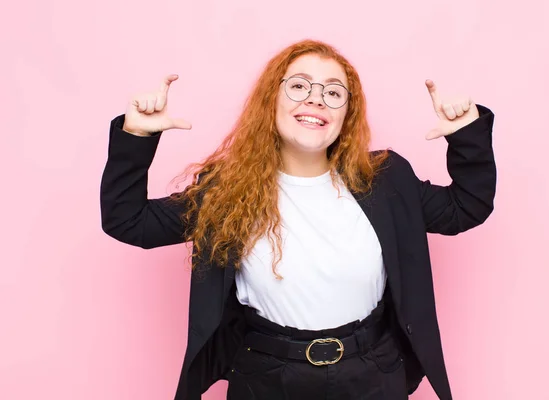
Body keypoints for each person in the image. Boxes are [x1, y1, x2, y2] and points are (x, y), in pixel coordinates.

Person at [100, 39, 496, 400]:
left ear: (347, 115)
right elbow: (129, 220)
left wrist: (465, 135)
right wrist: (136, 136)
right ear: (272, 99)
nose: (316, 100)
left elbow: (466, 207)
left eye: (333, 93)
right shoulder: (226, 190)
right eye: (299, 86)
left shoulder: (387, 179)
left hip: (374, 374)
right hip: (267, 376)